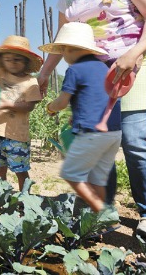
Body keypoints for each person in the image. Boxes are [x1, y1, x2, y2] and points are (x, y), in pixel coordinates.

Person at [37, 0, 146, 238]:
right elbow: (64, 38)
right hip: (96, 75)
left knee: (135, 140)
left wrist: (134, 53)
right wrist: (43, 73)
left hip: (135, 65)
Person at [40, 22, 122, 212]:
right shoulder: (103, 67)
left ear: (69, 49)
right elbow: (96, 100)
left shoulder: (75, 70)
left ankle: (101, 210)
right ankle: (100, 223)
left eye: (62, 51)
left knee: (71, 174)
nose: (63, 56)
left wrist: (50, 108)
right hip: (114, 132)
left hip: (93, 133)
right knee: (98, 180)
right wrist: (76, 118)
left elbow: (62, 102)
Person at [0, 35, 43, 191]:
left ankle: (26, 199)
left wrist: (7, 105)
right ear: (2, 60)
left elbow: (30, 106)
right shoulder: (0, 74)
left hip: (17, 134)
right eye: (8, 59)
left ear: (26, 61)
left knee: (20, 169)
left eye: (17, 59)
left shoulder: (30, 82)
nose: (12, 62)